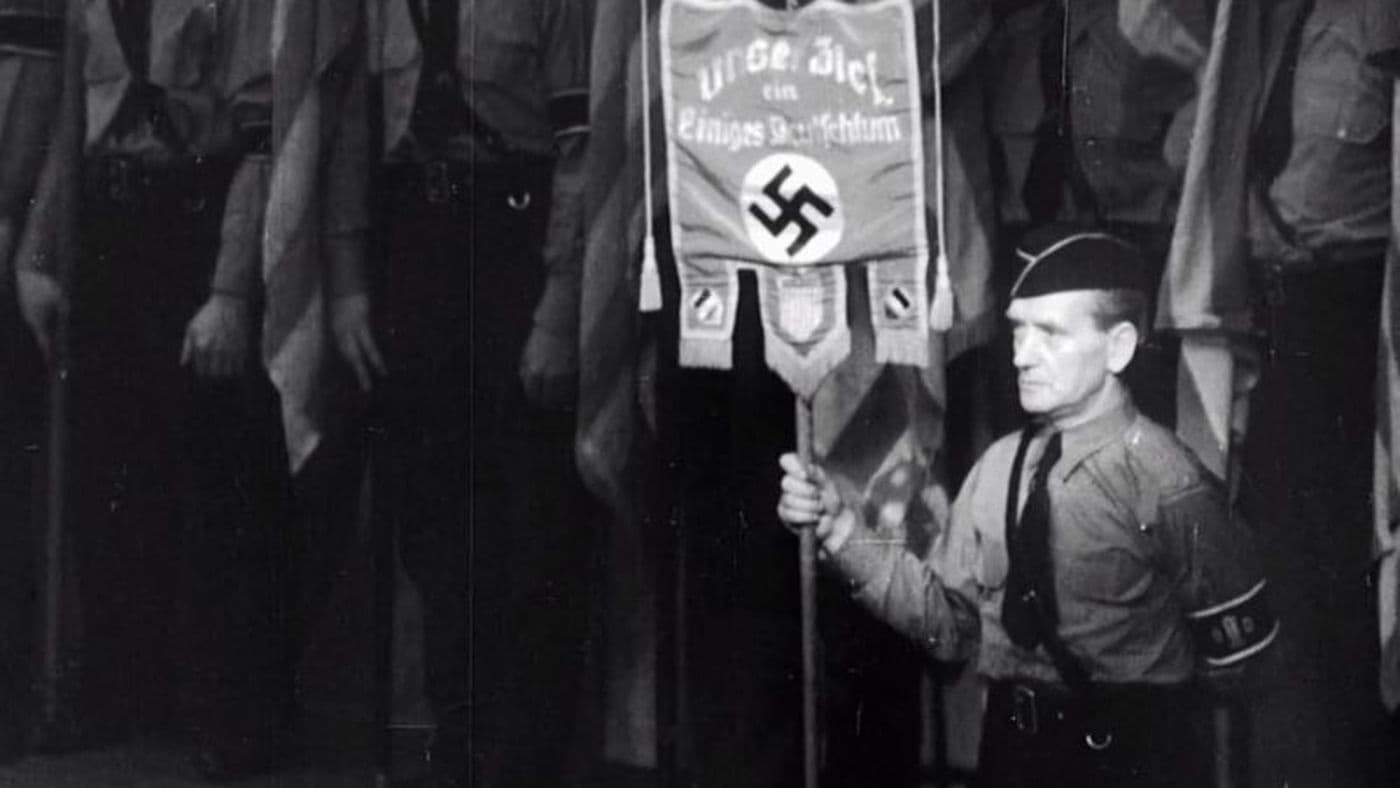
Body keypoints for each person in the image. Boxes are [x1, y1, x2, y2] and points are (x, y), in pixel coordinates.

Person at [778, 226, 1277, 787]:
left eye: (1051, 334)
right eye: (1018, 330)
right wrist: (839, 529)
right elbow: (951, 627)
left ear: (1118, 348)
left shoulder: (1169, 481)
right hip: (1014, 757)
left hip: (1133, 762)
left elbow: (1243, 663)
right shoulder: (997, 468)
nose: (1022, 355)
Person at [13, 1, 334, 778]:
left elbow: (261, 134)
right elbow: (70, 121)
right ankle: (122, 695)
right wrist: (41, 256)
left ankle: (231, 714)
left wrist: (229, 290)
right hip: (107, 229)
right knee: (108, 476)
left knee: (221, 485)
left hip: (199, 218)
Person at [335, 2, 593, 785]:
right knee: (434, 514)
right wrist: (347, 280)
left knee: (534, 521)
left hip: (518, 238)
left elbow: (583, 144)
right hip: (416, 241)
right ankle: (462, 740)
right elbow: (353, 126)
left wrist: (559, 307)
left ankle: (525, 760)